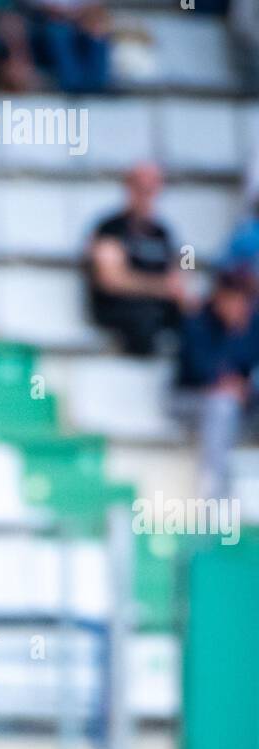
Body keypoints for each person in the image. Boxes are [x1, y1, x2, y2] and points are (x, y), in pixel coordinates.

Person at [173, 269, 259, 500]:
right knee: (222, 405)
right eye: (235, 301)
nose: (240, 308)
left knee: (229, 403)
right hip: (190, 400)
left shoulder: (252, 324)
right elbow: (202, 372)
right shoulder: (197, 322)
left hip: (241, 403)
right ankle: (213, 494)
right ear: (220, 298)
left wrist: (244, 387)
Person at [87, 163, 186, 358]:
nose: (147, 195)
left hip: (156, 308)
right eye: (142, 188)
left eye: (152, 189)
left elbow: (177, 276)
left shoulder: (162, 231)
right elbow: (111, 280)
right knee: (143, 323)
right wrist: (160, 287)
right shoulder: (110, 228)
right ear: (129, 188)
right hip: (120, 309)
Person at [25, 0, 110, 94]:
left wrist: (83, 18)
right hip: (47, 23)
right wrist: (65, 15)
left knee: (98, 34)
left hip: (81, 21)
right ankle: (72, 85)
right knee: (60, 34)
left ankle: (97, 84)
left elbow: (94, 6)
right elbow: (38, 6)